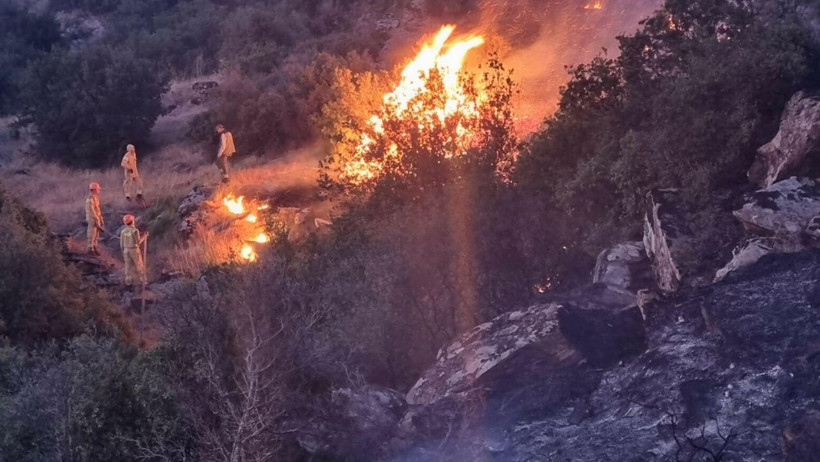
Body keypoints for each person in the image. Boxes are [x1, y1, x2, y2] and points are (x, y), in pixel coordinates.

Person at [120, 214, 148, 287]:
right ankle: (143, 280)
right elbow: (138, 242)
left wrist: (123, 252)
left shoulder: (123, 231)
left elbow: (121, 244)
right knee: (139, 265)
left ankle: (128, 282)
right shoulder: (135, 231)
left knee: (127, 266)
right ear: (132, 221)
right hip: (134, 250)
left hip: (126, 250)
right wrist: (144, 237)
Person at [85, 182, 104, 255]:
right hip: (92, 219)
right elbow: (92, 211)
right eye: (97, 189)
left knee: (96, 234)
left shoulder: (96, 199)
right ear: (93, 190)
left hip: (96, 218)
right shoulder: (90, 200)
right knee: (92, 233)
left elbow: (97, 209)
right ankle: (90, 248)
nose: (99, 191)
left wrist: (101, 219)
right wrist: (96, 219)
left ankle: (94, 246)